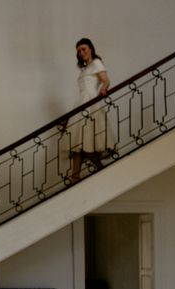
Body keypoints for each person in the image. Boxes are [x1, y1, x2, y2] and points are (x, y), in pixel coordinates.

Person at [68, 37, 115, 182]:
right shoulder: (84, 69)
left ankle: (96, 170)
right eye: (79, 51)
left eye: (84, 49)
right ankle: (75, 176)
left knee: (88, 139)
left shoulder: (96, 63)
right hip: (81, 103)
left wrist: (103, 90)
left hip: (91, 103)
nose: (81, 52)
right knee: (77, 142)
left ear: (91, 49)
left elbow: (106, 80)